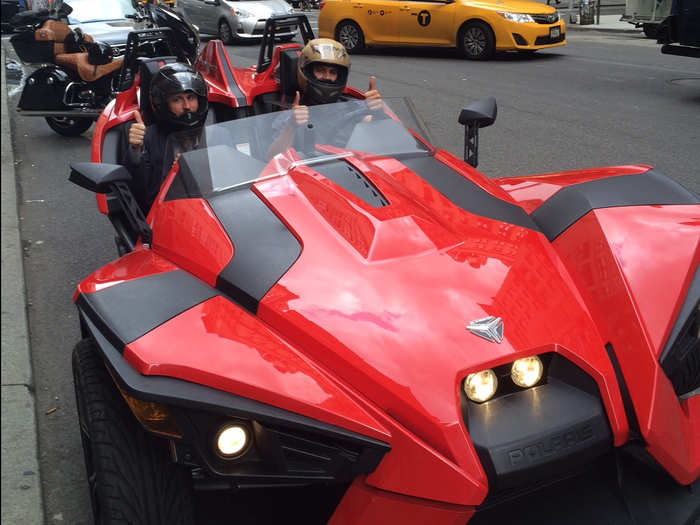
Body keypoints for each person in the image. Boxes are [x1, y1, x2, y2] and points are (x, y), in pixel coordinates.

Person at [267, 38, 382, 157]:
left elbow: (383, 136)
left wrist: (377, 112)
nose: (327, 77)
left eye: (333, 72)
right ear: (306, 72)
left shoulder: (354, 107)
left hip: (351, 171)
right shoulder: (290, 117)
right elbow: (272, 157)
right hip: (308, 172)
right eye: (320, 70)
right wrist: (291, 127)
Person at [125, 62, 209, 213]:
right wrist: (136, 151)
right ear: (164, 104)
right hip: (169, 215)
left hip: (211, 213)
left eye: (191, 97)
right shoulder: (149, 137)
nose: (187, 106)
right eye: (177, 99)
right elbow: (142, 196)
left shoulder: (215, 132)